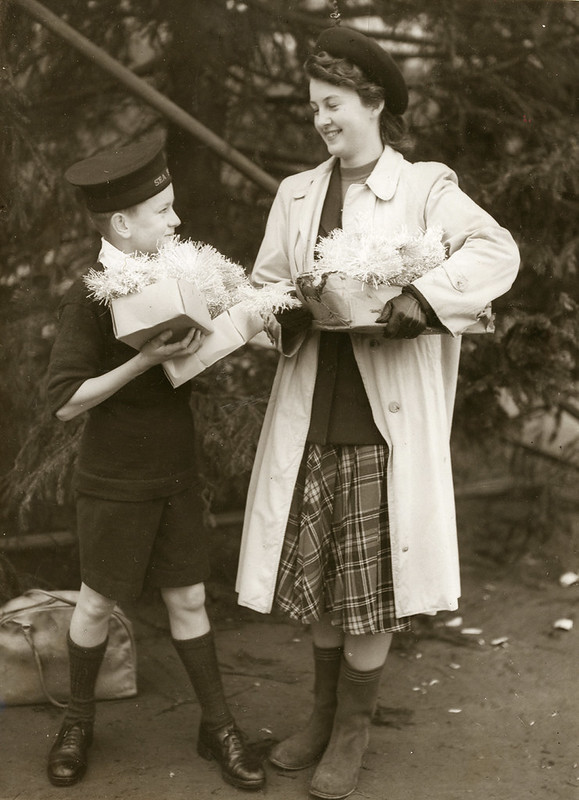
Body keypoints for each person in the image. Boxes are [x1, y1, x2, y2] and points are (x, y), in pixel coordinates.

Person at [236, 25, 520, 800]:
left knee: (370, 582)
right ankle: (322, 716)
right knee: (324, 578)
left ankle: (354, 731)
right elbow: (264, 286)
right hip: (312, 403)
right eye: (312, 108)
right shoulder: (296, 193)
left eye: (332, 105)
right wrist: (280, 316)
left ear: (373, 102)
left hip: (380, 415)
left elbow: (495, 252)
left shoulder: (424, 187)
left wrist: (418, 299)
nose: (321, 120)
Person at [45, 135, 265, 792]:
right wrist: (141, 360)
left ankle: (217, 725)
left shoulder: (182, 273)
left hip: (173, 468)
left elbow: (194, 355)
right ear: (122, 223)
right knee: (94, 603)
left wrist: (242, 320)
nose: (175, 221)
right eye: (163, 210)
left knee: (190, 597)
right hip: (112, 477)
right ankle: (78, 720)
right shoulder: (91, 294)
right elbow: (62, 403)